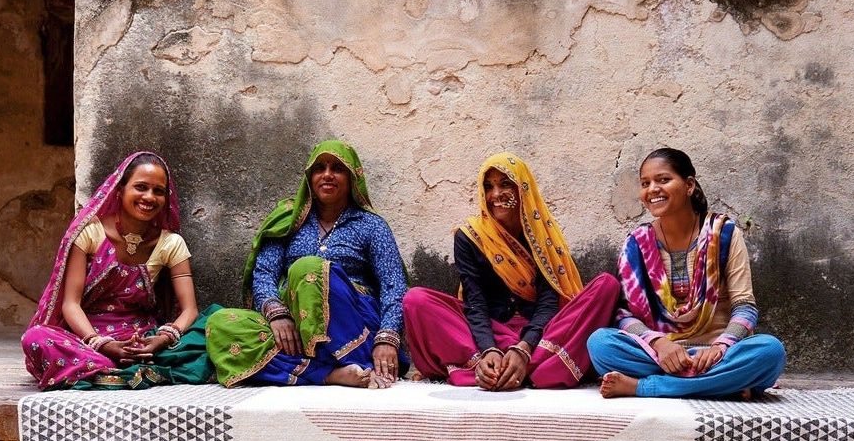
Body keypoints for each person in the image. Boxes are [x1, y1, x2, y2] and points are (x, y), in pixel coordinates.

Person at [402, 153, 619, 389]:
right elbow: (475, 303)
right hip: (490, 332)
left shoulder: (541, 233)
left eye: (505, 184)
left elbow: (549, 302)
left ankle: (516, 366)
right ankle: (514, 367)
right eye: (488, 186)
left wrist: (524, 347)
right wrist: (488, 349)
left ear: (523, 188)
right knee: (416, 299)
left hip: (541, 333)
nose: (495, 194)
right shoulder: (470, 236)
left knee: (607, 285)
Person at [586, 147, 786, 400]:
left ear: (689, 185)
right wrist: (659, 343)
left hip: (718, 354)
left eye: (663, 180)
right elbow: (624, 314)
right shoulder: (636, 242)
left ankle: (644, 387)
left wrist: (721, 346)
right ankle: (724, 386)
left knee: (770, 351)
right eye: (645, 183)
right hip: (658, 354)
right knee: (600, 344)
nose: (652, 190)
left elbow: (744, 306)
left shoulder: (723, 234)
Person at [205, 140, 407, 389]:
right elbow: (265, 272)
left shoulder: (371, 225)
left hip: (351, 322)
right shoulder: (289, 221)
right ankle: (330, 374)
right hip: (294, 325)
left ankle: (349, 361)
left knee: (308, 268)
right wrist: (277, 314)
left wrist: (387, 339)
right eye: (319, 168)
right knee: (219, 324)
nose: (327, 175)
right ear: (309, 177)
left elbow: (394, 285)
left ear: (353, 178)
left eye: (338, 168)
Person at [21, 151, 212, 390]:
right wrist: (101, 343)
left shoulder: (171, 243)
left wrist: (161, 340)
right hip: (89, 337)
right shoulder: (91, 233)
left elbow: (190, 309)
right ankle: (125, 369)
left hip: (142, 337)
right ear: (120, 190)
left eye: (158, 191)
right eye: (141, 187)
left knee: (213, 328)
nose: (149, 197)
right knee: (36, 337)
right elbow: (71, 304)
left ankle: (104, 371)